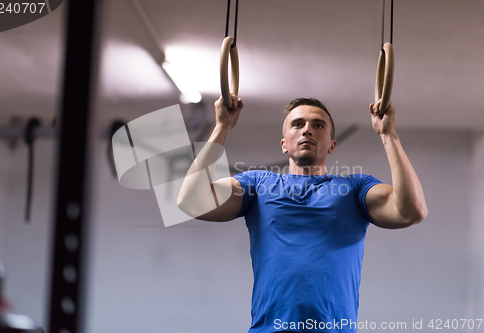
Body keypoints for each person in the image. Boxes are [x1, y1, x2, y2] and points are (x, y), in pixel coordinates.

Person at [177, 94, 428, 333]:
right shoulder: (257, 185)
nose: (307, 129)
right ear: (284, 144)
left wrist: (388, 135)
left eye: (318, 125)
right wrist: (222, 127)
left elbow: (412, 211)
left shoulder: (355, 188)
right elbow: (190, 201)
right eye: (298, 124)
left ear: (331, 144)